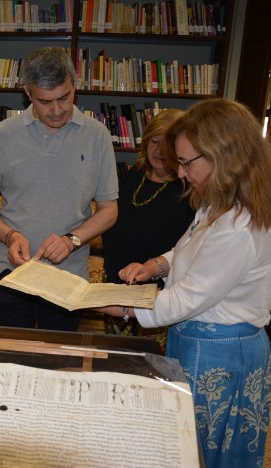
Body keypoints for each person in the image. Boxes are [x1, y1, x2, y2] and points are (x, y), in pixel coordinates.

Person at [97, 98, 271, 467]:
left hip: (222, 351)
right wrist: (156, 265)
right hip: (200, 340)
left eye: (186, 163)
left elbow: (186, 299)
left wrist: (113, 304)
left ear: (224, 156)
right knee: (186, 440)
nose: (181, 173)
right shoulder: (217, 204)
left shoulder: (239, 227)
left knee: (202, 450)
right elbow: (187, 251)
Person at [0, 46, 119, 331]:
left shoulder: (97, 136)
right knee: (14, 357)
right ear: (28, 92)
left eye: (64, 97)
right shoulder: (2, 136)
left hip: (69, 275)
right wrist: (10, 235)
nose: (57, 110)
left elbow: (109, 210)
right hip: (13, 270)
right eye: (45, 101)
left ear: (74, 85)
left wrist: (72, 240)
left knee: (59, 359)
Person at [101, 109, 195, 349]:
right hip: (117, 283)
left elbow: (188, 248)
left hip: (156, 295)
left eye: (169, 145)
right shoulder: (133, 176)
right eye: (155, 141)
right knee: (114, 356)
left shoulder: (188, 191)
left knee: (148, 364)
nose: (160, 151)